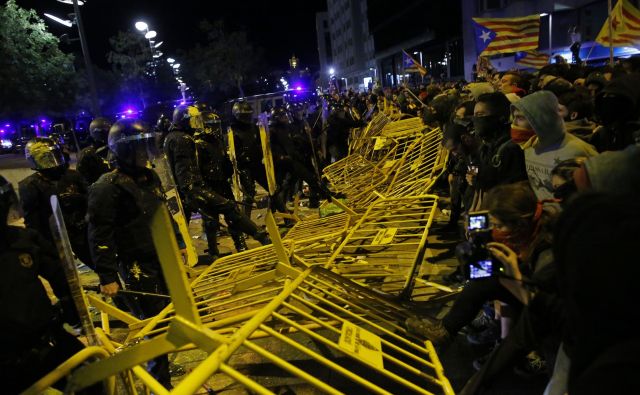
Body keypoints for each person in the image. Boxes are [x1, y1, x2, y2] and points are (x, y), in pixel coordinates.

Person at [406, 182, 556, 347]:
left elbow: (543, 306)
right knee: (474, 270)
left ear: (519, 224)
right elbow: (491, 224)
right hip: (516, 275)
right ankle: (489, 322)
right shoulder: (530, 222)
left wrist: (512, 274)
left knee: (483, 282)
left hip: (538, 303)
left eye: (499, 225)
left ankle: (502, 341)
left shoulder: (547, 255)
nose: (495, 229)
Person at [87, 118, 173, 387]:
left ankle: (162, 370)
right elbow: (100, 233)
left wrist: (179, 243)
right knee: (152, 323)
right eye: (139, 150)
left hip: (161, 255)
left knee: (169, 313)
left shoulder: (150, 177)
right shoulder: (107, 186)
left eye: (147, 148)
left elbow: (163, 213)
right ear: (123, 151)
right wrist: (107, 275)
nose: (145, 155)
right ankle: (160, 381)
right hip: (135, 261)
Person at [0, 174, 86, 394]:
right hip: (8, 363)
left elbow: (61, 275)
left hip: (46, 340)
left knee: (93, 377)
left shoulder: (23, 241)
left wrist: (73, 312)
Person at [164, 105, 270, 247]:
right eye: (194, 120)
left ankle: (239, 245)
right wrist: (197, 191)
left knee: (220, 214)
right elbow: (187, 174)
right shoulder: (182, 139)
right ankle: (260, 237)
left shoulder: (175, 137)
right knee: (220, 214)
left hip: (197, 187)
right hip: (196, 188)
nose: (197, 124)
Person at [19, 137, 93, 268]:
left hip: (80, 232)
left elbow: (90, 199)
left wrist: (78, 199)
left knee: (98, 265)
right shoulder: (30, 185)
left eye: (53, 156)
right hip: (53, 238)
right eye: (45, 158)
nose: (51, 162)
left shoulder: (71, 176)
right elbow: (33, 220)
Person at [511, 90, 597, 201]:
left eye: (520, 118)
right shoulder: (529, 145)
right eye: (514, 117)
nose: (514, 123)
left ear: (540, 119)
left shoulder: (577, 151)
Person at [193, 110, 249, 255]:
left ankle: (240, 244)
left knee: (233, 214)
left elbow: (222, 159)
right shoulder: (198, 144)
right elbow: (198, 167)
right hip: (209, 185)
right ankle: (213, 250)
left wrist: (228, 168)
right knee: (210, 220)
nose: (216, 128)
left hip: (222, 182)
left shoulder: (217, 141)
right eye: (212, 125)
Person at [468, 92, 527, 211]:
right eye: (474, 115)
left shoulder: (511, 149)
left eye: (480, 114)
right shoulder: (485, 143)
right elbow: (474, 163)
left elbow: (513, 191)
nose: (475, 120)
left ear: (500, 117)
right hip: (483, 208)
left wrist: (481, 180)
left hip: (500, 213)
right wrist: (472, 175)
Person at [77, 117, 112, 185]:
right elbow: (82, 178)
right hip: (98, 189)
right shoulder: (87, 153)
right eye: (105, 131)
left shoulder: (113, 148)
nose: (107, 134)